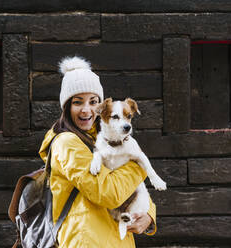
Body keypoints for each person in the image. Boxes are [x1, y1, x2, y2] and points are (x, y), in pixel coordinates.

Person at [38, 56, 157, 247]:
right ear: (67, 107)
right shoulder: (67, 143)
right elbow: (108, 192)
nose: (87, 110)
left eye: (93, 102)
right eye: (78, 102)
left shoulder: (103, 138)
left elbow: (131, 188)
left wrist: (149, 215)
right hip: (87, 241)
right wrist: (139, 163)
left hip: (114, 238)